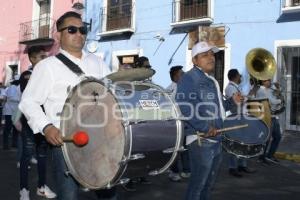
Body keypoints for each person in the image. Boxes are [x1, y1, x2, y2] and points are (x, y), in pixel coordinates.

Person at [19, 11, 116, 200]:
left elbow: (110, 94)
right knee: (69, 195)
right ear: (59, 35)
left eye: (83, 30)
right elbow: (29, 101)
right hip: (66, 140)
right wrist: (46, 127)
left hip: (99, 139)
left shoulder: (98, 62)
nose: (79, 34)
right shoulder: (47, 66)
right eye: (72, 30)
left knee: (108, 193)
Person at [176, 41, 242, 200]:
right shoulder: (189, 78)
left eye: (212, 54)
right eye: (205, 55)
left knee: (208, 185)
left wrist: (233, 101)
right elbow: (184, 107)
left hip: (216, 139)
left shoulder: (211, 79)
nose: (211, 57)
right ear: (195, 60)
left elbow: (219, 107)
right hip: (201, 140)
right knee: (197, 186)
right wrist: (204, 127)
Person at [18, 46, 57, 200]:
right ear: (32, 59)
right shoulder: (27, 75)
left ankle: (41, 187)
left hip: (44, 122)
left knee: (42, 156)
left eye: (46, 56)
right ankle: (23, 190)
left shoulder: (49, 75)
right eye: (41, 57)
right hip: (29, 122)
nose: (45, 59)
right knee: (26, 156)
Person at [225, 69, 256, 178]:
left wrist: (253, 89)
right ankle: (232, 167)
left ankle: (242, 165)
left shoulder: (236, 87)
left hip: (242, 117)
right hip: (236, 118)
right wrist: (247, 96)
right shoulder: (230, 88)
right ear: (235, 76)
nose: (241, 77)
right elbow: (239, 100)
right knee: (234, 143)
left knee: (244, 142)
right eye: (239, 75)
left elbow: (244, 98)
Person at [166, 65, 190, 182]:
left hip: (180, 123)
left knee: (183, 148)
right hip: (176, 124)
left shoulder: (168, 89)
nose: (184, 75)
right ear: (176, 76)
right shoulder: (174, 89)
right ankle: (174, 171)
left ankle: (186, 170)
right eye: (182, 73)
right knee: (176, 149)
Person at [256, 79, 282, 164]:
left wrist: (278, 89)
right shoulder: (261, 90)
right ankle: (261, 157)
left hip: (274, 117)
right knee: (266, 138)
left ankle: (270, 155)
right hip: (267, 117)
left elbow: (277, 96)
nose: (270, 82)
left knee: (277, 137)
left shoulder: (270, 89)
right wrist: (280, 100)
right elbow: (272, 101)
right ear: (263, 82)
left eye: (269, 80)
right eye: (267, 80)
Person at [2, 76, 21, 150]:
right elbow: (11, 98)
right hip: (14, 111)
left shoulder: (8, 88)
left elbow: (4, 98)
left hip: (11, 111)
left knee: (10, 129)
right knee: (12, 128)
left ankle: (9, 144)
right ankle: (11, 144)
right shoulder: (16, 88)